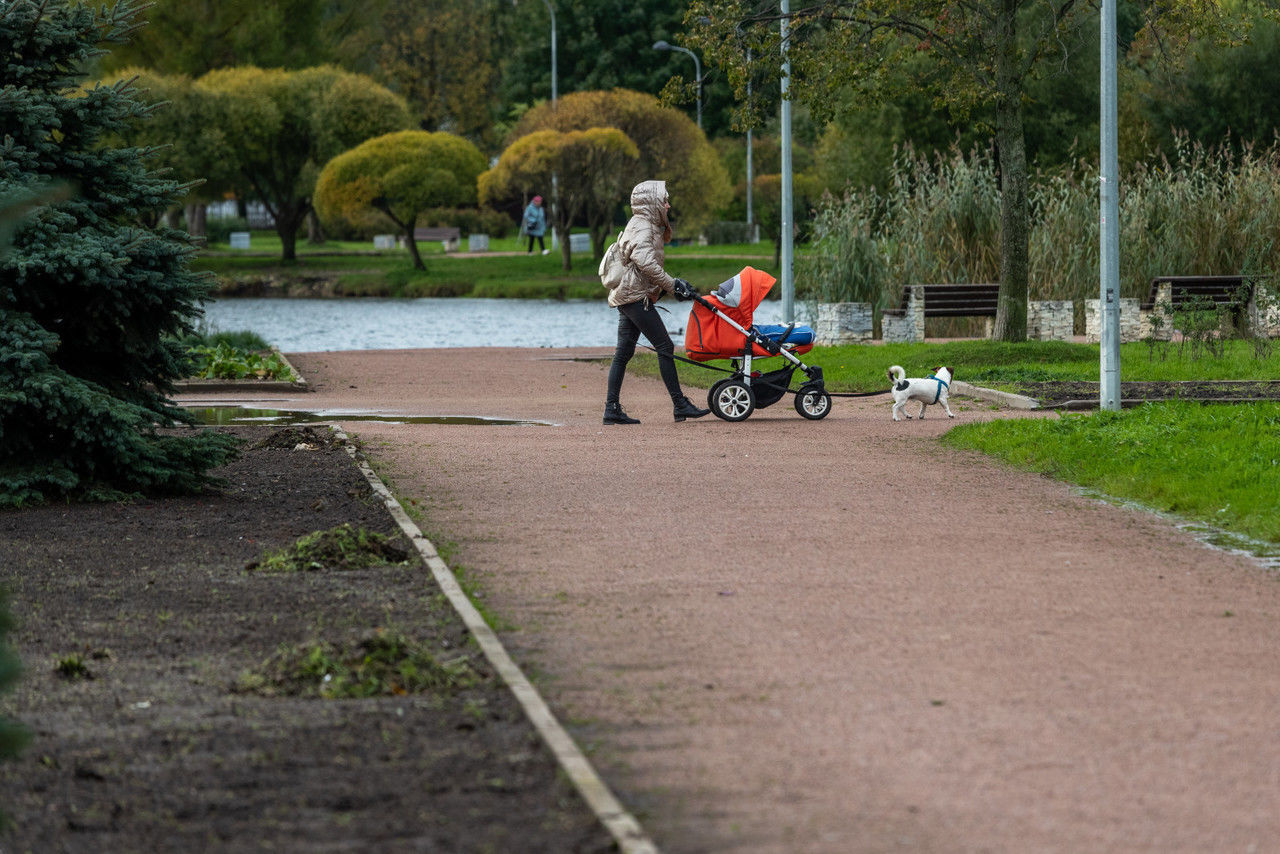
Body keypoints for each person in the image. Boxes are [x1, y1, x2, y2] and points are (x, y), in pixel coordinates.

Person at [603, 179, 710, 425]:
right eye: (664, 200)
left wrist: (671, 285)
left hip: (631, 295)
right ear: (651, 202)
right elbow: (646, 262)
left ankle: (611, 409)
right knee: (665, 346)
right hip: (635, 297)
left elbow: (646, 264)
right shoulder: (643, 227)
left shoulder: (644, 224)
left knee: (623, 352)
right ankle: (680, 405)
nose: (668, 205)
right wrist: (673, 285)